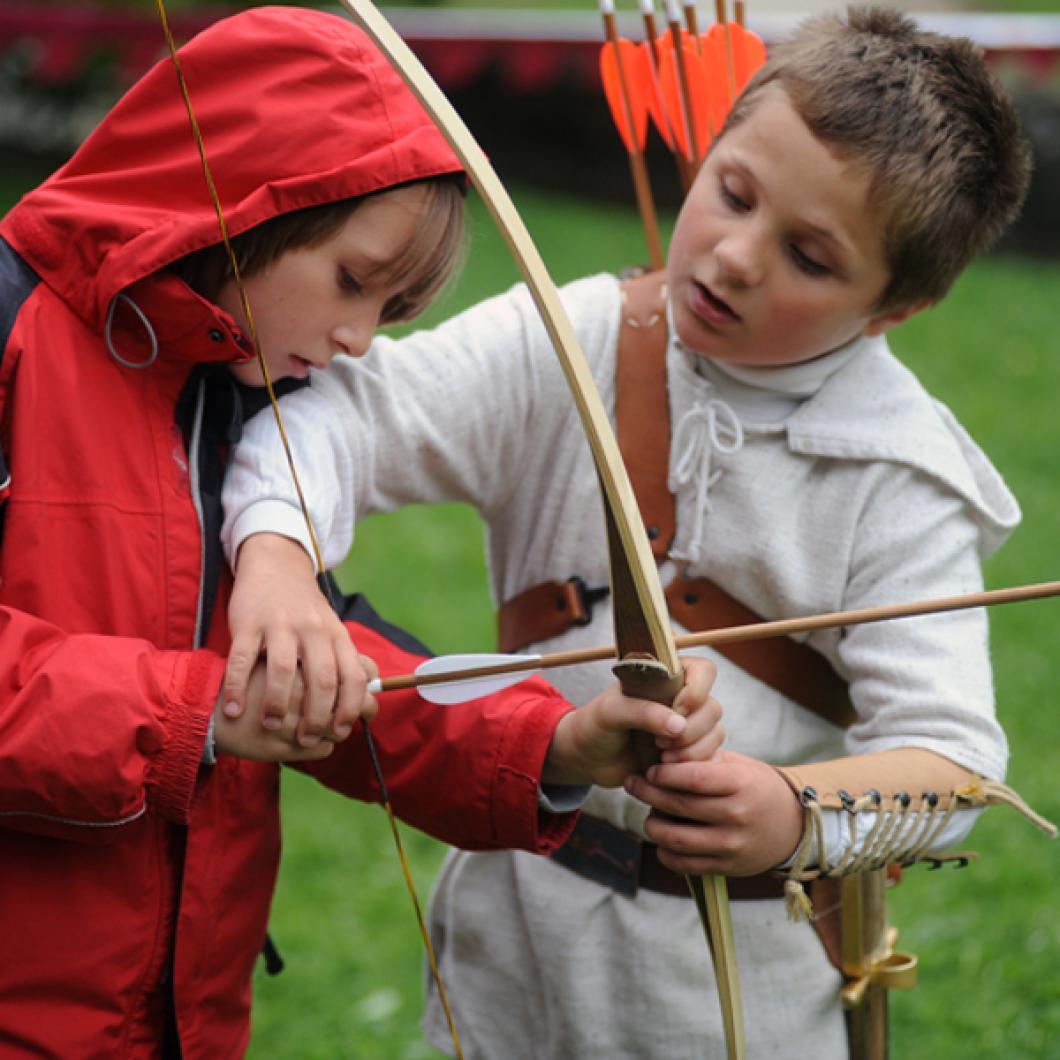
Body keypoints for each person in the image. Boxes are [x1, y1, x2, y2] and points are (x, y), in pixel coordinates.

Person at [220, 8, 1048, 1057]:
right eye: (733, 192)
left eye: (808, 256)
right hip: (510, 952)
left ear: (897, 307)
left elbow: (954, 766)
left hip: (728, 993)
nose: (737, 255)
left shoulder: (899, 477)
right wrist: (280, 559)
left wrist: (795, 811)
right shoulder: (576, 342)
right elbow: (345, 418)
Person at [0, 7, 727, 1058]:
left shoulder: (227, 393)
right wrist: (193, 712)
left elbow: (321, 669)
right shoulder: (15, 329)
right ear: (236, 200)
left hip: (170, 1016)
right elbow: (226, 694)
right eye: (351, 281)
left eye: (390, 313)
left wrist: (548, 744)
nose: (351, 342)